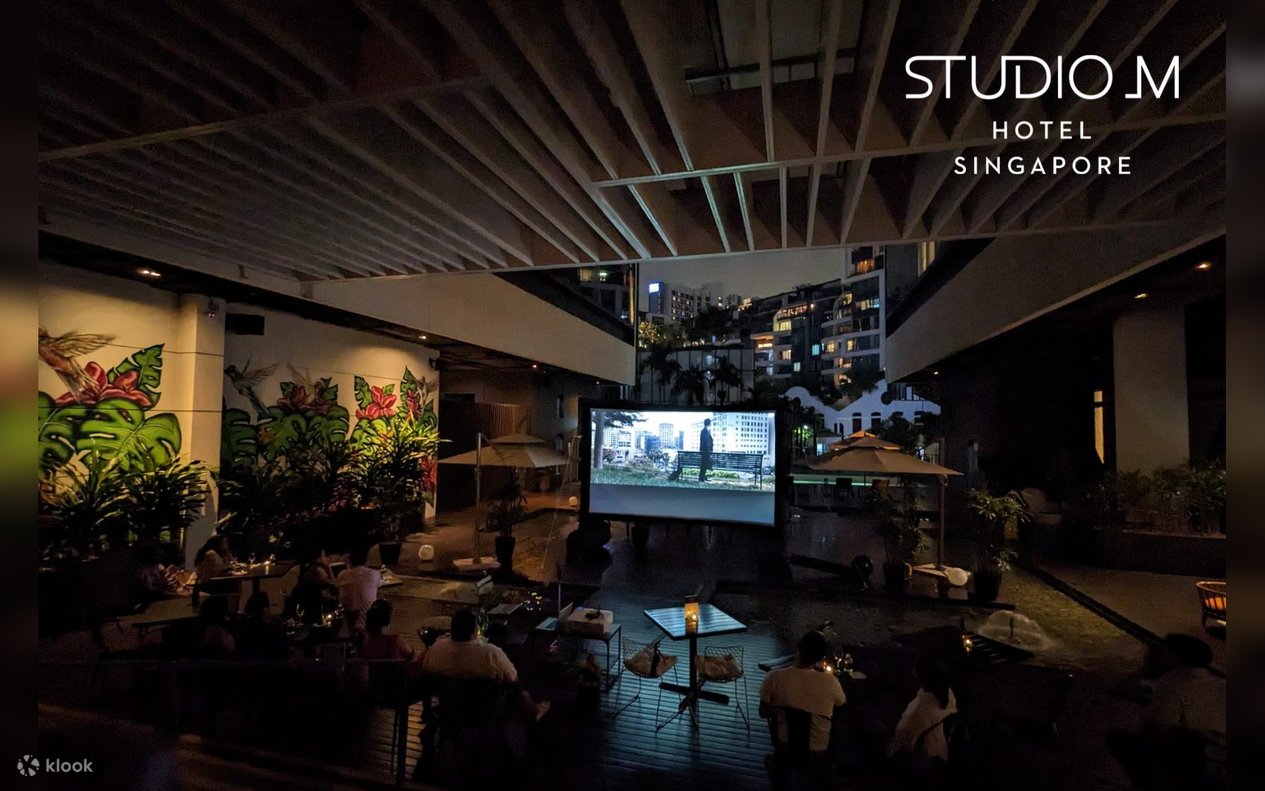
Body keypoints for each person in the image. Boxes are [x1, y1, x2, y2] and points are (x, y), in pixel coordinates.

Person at [1106, 634, 1226, 788]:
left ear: (1172, 657)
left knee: (1120, 737)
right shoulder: (1219, 683)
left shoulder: (1172, 684)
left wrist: (1146, 670)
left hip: (1200, 770)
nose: (1149, 655)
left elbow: (1156, 730)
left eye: (1160, 652)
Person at [423, 608, 549, 720]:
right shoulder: (490, 653)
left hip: (449, 709)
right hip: (486, 712)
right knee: (516, 686)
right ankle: (534, 711)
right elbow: (512, 677)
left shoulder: (437, 648)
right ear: (474, 630)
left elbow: (426, 668)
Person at [759, 631, 846, 757]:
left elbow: (763, 712)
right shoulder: (830, 682)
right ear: (820, 658)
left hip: (784, 745)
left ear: (798, 649)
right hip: (816, 751)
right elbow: (842, 703)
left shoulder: (774, 677)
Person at [889, 654, 958, 771]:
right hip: (942, 755)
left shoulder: (915, 712)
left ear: (917, 675)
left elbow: (901, 746)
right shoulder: (948, 695)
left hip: (923, 766)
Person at [336, 545, 382, 631]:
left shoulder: (343, 575)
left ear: (349, 560)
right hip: (368, 619)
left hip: (349, 620)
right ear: (366, 560)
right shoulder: (374, 574)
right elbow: (379, 584)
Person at [235, 591, 288, 660]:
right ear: (265, 610)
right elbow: (283, 653)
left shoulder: (243, 631)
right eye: (270, 606)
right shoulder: (272, 633)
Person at [698, 418, 713, 483]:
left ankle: (702, 477)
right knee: (704, 465)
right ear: (709, 423)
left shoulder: (705, 430)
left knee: (704, 465)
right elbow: (706, 442)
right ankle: (701, 478)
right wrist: (708, 451)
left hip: (704, 452)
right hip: (705, 452)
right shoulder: (705, 431)